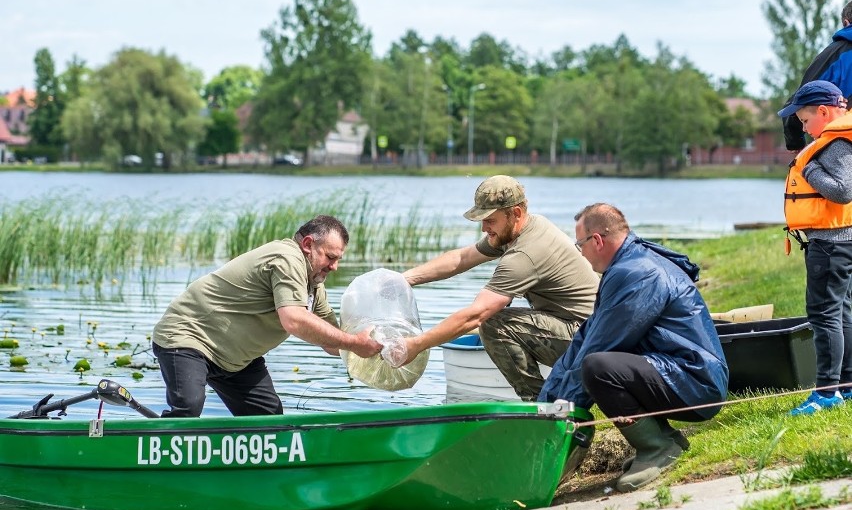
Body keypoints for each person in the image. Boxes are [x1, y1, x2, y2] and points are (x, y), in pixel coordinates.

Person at [539, 203, 728, 493]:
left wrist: (563, 419)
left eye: (580, 245)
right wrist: (546, 406)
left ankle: (657, 448)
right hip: (675, 370)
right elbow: (584, 340)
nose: (581, 252)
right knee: (594, 362)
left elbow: (596, 352)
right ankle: (666, 436)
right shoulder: (626, 265)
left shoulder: (636, 273)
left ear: (597, 241)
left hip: (695, 381)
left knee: (599, 368)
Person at [151, 215, 382, 417]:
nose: (335, 267)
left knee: (268, 419)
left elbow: (333, 343)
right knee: (188, 408)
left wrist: (377, 346)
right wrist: (354, 343)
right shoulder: (287, 258)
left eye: (339, 259)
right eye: (331, 257)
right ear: (308, 244)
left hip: (236, 360)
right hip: (188, 337)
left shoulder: (313, 284)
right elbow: (293, 319)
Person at [399, 175, 599, 401]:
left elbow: (475, 315)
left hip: (589, 342)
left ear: (515, 213)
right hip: (585, 331)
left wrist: (415, 345)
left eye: (490, 220)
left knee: (493, 324)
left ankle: (541, 406)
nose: (484, 228)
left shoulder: (525, 254)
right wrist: (403, 279)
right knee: (486, 323)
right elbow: (462, 258)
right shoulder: (525, 227)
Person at [779, 79, 852, 414]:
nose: (805, 130)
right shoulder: (837, 139)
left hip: (832, 243)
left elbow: (843, 191)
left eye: (806, 121)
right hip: (842, 240)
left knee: (824, 315)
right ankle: (845, 387)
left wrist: (808, 168)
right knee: (842, 311)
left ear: (824, 111)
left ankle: (826, 393)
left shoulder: (834, 145)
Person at [781, 0, 852, 152]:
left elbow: (799, 101)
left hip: (842, 149)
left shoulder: (837, 54)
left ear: (846, 23)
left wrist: (797, 146)